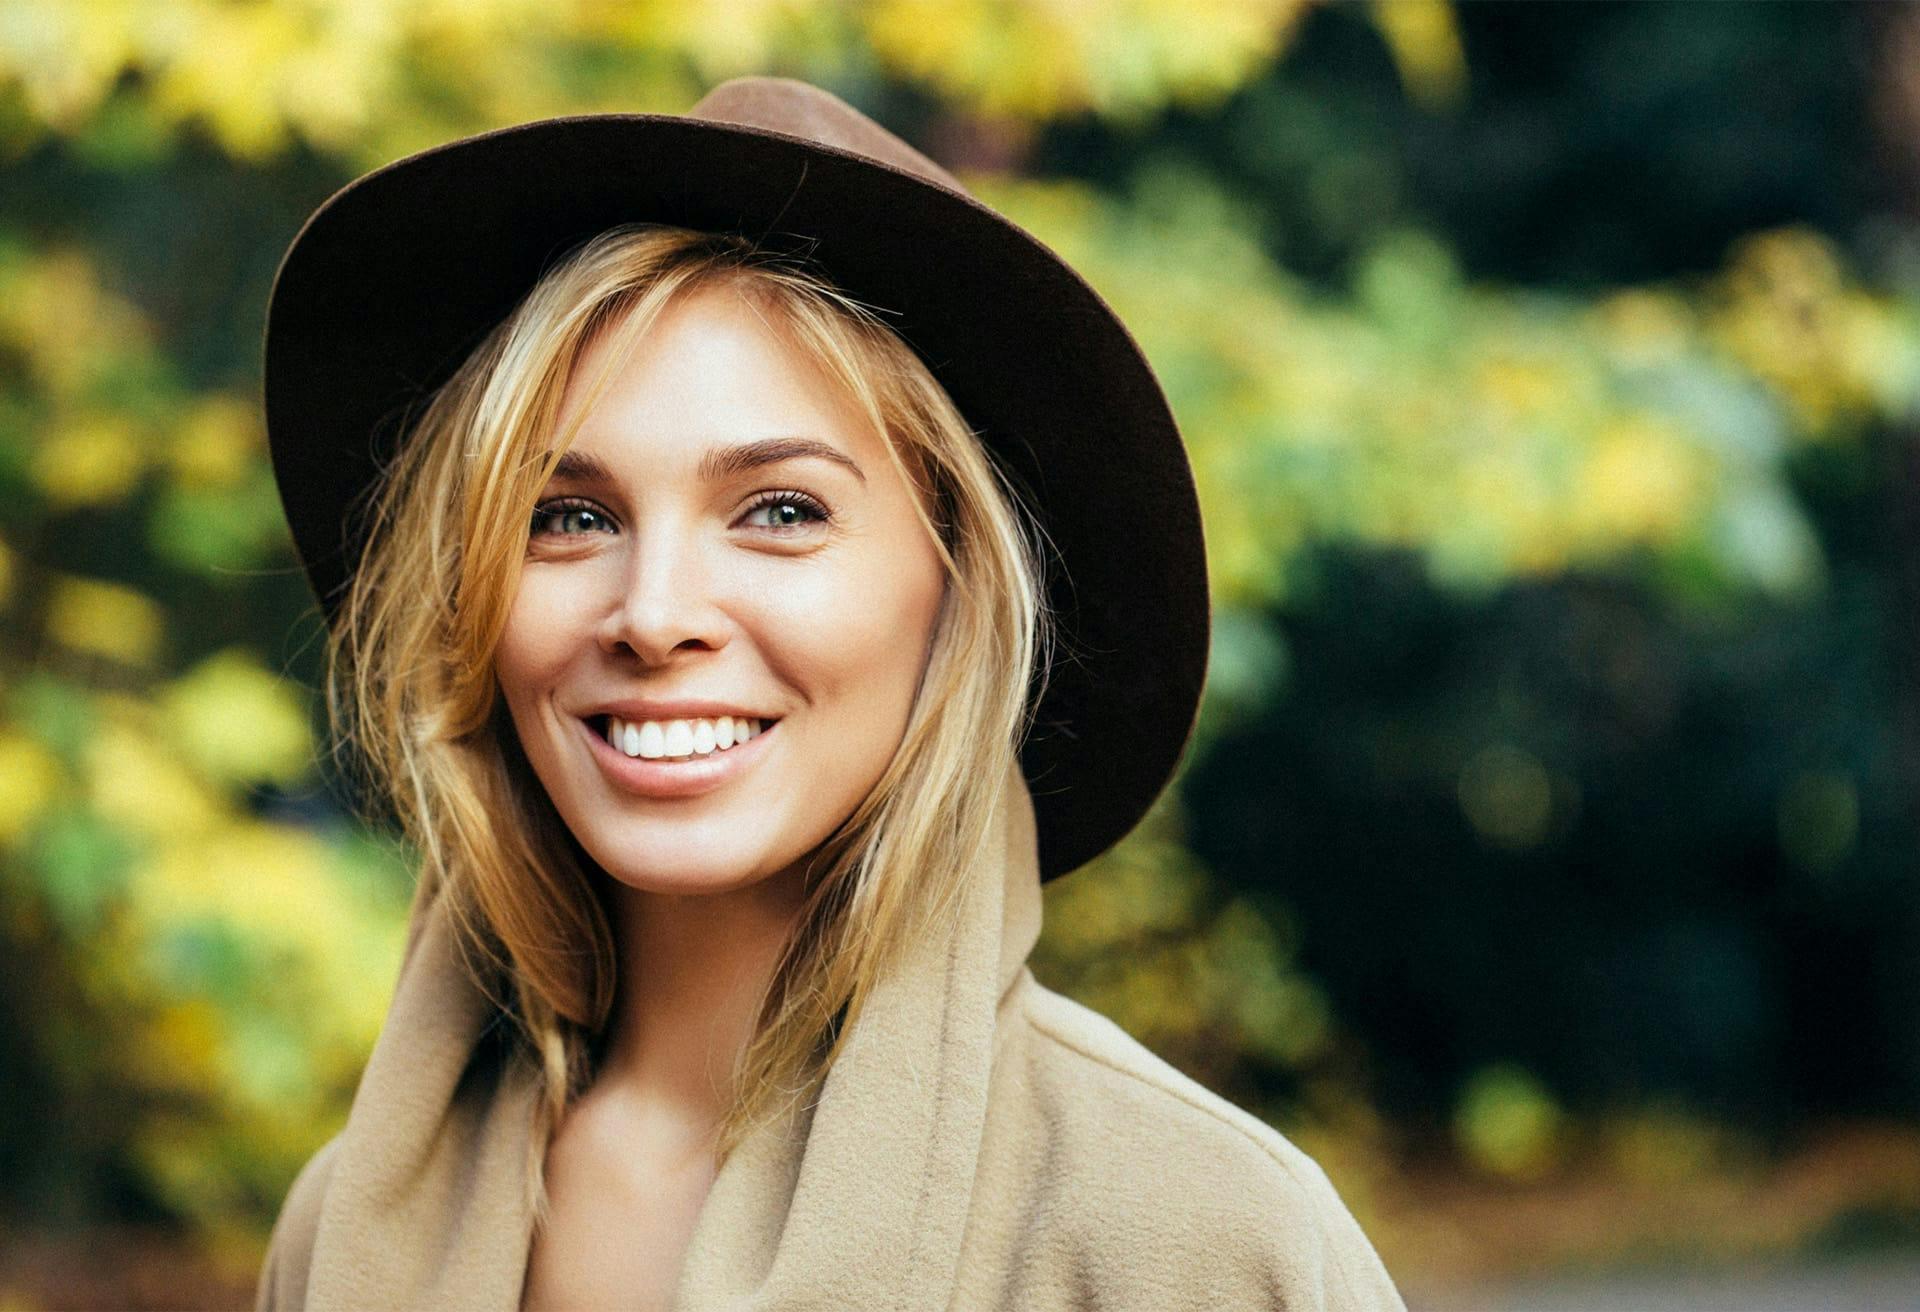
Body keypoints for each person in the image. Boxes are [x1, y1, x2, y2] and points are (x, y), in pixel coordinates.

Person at [252, 76, 1407, 1311]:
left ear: (960, 585)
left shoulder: (1199, 1241)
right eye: (568, 517)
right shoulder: (350, 1229)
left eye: (781, 511)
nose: (651, 612)